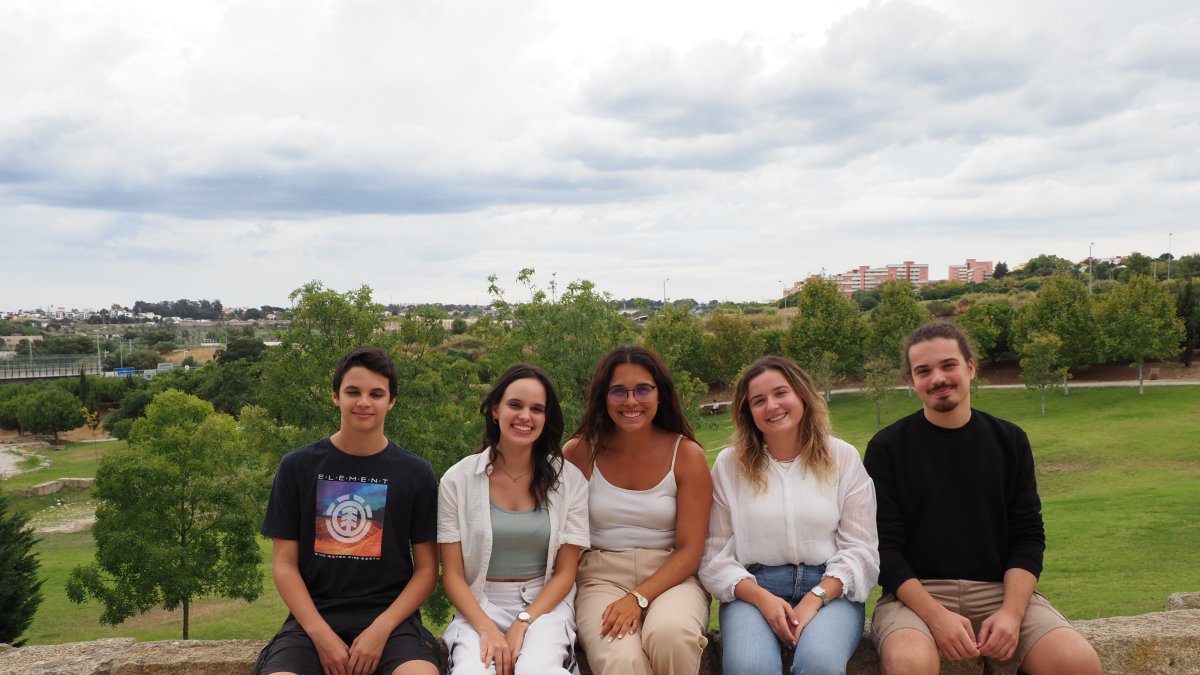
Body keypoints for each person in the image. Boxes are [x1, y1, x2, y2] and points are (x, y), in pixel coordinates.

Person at [863, 323, 1102, 675]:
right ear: (911, 381)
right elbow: (884, 549)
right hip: (915, 598)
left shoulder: (1009, 441)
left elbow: (1028, 536)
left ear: (970, 368)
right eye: (923, 371)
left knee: (1077, 663)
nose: (938, 378)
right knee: (909, 664)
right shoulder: (887, 448)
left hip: (999, 590)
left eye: (949, 365)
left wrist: (1011, 613)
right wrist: (936, 617)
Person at [256, 346, 441, 675]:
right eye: (353, 391)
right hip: (312, 621)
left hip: (393, 624)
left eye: (376, 393)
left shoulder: (416, 473)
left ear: (392, 401)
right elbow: (284, 565)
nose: (364, 402)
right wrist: (320, 634)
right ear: (335, 396)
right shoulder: (297, 466)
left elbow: (427, 569)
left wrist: (381, 628)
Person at [701, 355, 878, 675]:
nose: (771, 405)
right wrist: (762, 599)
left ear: (802, 396)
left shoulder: (842, 456)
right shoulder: (729, 465)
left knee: (819, 664)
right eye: (758, 400)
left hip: (830, 587)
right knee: (748, 668)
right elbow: (714, 555)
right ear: (748, 413)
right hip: (753, 588)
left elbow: (861, 549)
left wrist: (815, 598)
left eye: (781, 393)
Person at [563, 345, 713, 675]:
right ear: (604, 397)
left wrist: (638, 597)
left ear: (660, 394)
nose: (631, 401)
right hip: (601, 577)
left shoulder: (686, 455)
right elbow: (562, 536)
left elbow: (691, 550)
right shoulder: (579, 452)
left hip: (672, 574)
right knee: (621, 660)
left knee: (671, 636)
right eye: (619, 391)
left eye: (643, 389)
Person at [439, 364, 590, 675]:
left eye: (537, 409)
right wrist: (486, 628)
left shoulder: (569, 480)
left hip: (545, 604)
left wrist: (524, 622)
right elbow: (452, 576)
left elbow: (565, 573)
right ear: (496, 410)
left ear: (546, 418)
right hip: (480, 603)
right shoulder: (458, 480)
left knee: (537, 670)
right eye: (515, 405)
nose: (525, 416)